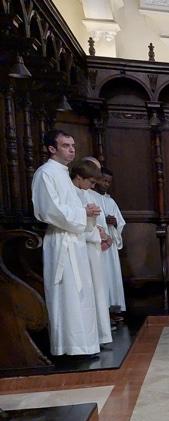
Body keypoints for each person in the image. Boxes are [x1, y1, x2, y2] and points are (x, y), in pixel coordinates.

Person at [31, 130, 101, 356]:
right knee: (66, 295)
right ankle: (67, 347)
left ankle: (84, 345)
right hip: (61, 241)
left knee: (81, 293)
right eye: (65, 145)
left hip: (75, 240)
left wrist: (88, 213)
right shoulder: (45, 173)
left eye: (73, 145)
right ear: (52, 148)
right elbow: (49, 210)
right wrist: (83, 213)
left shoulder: (64, 174)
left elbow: (72, 208)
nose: (71, 150)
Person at [69, 158, 113, 347]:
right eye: (91, 181)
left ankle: (100, 335)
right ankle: (91, 337)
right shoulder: (71, 193)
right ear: (79, 177)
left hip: (92, 246)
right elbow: (72, 221)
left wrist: (100, 230)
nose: (93, 186)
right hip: (82, 248)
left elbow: (92, 221)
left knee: (98, 292)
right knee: (88, 293)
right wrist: (95, 232)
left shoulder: (85, 193)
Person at [93, 166, 127, 318]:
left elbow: (121, 222)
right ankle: (102, 311)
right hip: (97, 245)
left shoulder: (110, 201)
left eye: (108, 182)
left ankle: (113, 309)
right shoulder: (89, 196)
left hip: (110, 245)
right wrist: (103, 221)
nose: (106, 184)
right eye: (103, 180)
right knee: (101, 277)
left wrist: (115, 222)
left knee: (111, 276)